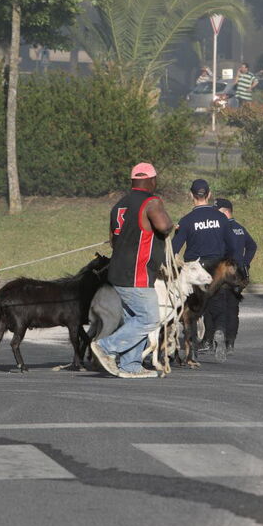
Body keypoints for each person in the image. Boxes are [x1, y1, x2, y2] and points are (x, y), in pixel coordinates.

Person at [90, 162, 173, 378]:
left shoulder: (119, 205)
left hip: (118, 274)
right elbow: (164, 226)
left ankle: (131, 365)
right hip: (137, 274)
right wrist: (171, 224)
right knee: (150, 319)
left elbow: (113, 240)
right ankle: (106, 347)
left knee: (134, 319)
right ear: (152, 180)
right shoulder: (151, 202)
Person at [170, 179, 236, 361]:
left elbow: (174, 248)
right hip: (217, 267)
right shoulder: (221, 218)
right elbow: (232, 245)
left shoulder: (186, 221)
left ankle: (192, 350)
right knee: (218, 304)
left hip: (195, 271)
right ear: (209, 194)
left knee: (193, 310)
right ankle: (219, 330)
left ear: (191, 195)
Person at [201, 198, 256, 357]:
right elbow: (252, 246)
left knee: (212, 307)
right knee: (232, 308)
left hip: (222, 273)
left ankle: (209, 340)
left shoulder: (221, 228)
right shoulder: (240, 228)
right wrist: (245, 263)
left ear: (226, 211)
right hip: (237, 274)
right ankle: (230, 343)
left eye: (216, 211)